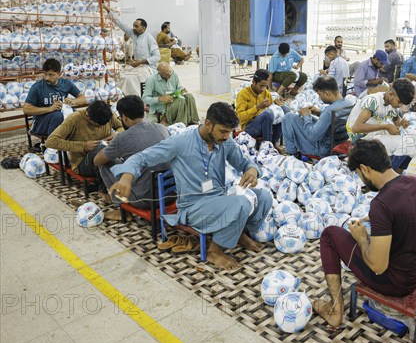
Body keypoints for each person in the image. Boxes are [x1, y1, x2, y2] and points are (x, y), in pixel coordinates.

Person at [108, 102, 272, 270]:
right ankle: (214, 251)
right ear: (208, 123)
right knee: (241, 203)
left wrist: (252, 170)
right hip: (193, 207)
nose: (226, 137)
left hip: (219, 200)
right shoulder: (180, 142)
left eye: (229, 132)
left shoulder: (225, 142)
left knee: (264, 196)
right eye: (223, 131)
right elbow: (142, 157)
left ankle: (240, 233)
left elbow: (244, 163)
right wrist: (127, 176)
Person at [313, 139, 416, 328]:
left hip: (398, 285)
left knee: (329, 235)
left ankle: (335, 311)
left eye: (359, 175)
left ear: (365, 169)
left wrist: (361, 239)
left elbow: (378, 266)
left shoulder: (382, 203)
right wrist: (380, 220)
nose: (361, 180)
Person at [93, 95, 170, 220]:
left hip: (146, 200)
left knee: (106, 164)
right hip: (172, 194)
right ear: (143, 111)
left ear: (124, 117)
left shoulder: (123, 138)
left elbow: (97, 161)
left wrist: (109, 147)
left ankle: (122, 210)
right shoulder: (162, 128)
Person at [46, 100, 124, 194]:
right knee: (102, 150)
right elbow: (50, 142)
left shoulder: (107, 114)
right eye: (98, 126)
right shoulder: (74, 119)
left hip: (105, 153)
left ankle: (122, 184)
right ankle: (105, 189)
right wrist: (83, 146)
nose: (100, 128)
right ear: (89, 118)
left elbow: (122, 127)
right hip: (82, 163)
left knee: (127, 144)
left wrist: (113, 135)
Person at [347, 79, 416, 167]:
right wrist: (386, 127)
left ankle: (398, 172)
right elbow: (356, 128)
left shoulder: (392, 103)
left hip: (375, 134)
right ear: (391, 94)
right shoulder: (373, 101)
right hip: (361, 138)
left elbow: (396, 121)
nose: (400, 106)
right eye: (399, 102)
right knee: (407, 143)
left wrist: (402, 123)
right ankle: (388, 175)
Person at [282, 77, 351, 158]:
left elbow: (313, 136)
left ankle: (292, 154)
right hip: (339, 145)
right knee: (298, 119)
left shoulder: (329, 111)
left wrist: (306, 116)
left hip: (323, 150)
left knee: (288, 117)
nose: (319, 98)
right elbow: (333, 120)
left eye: (319, 94)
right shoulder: (349, 104)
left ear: (326, 93)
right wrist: (319, 112)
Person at [103, 3, 160, 97]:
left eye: (137, 26)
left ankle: (136, 100)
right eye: (133, 25)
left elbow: (157, 56)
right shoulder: (134, 34)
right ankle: (123, 97)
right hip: (137, 65)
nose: (134, 28)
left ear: (144, 28)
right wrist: (108, 10)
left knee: (130, 79)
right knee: (120, 75)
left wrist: (141, 62)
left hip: (148, 68)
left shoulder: (149, 38)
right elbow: (121, 24)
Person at [23, 58, 87, 138]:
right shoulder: (37, 87)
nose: (47, 78)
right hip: (40, 123)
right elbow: (26, 109)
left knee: (79, 116)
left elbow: (83, 98)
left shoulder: (66, 84)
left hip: (60, 118)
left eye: (51, 75)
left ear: (59, 74)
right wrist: (50, 109)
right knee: (58, 116)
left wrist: (74, 101)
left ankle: (76, 145)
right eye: (45, 74)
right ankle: (52, 147)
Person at [236, 69, 289, 152]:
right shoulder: (243, 94)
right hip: (250, 127)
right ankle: (266, 146)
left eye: (265, 86)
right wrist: (257, 107)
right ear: (254, 82)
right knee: (267, 114)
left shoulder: (266, 93)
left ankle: (274, 142)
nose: (263, 89)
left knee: (285, 110)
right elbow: (240, 118)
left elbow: (273, 109)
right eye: (261, 86)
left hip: (265, 124)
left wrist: (277, 105)